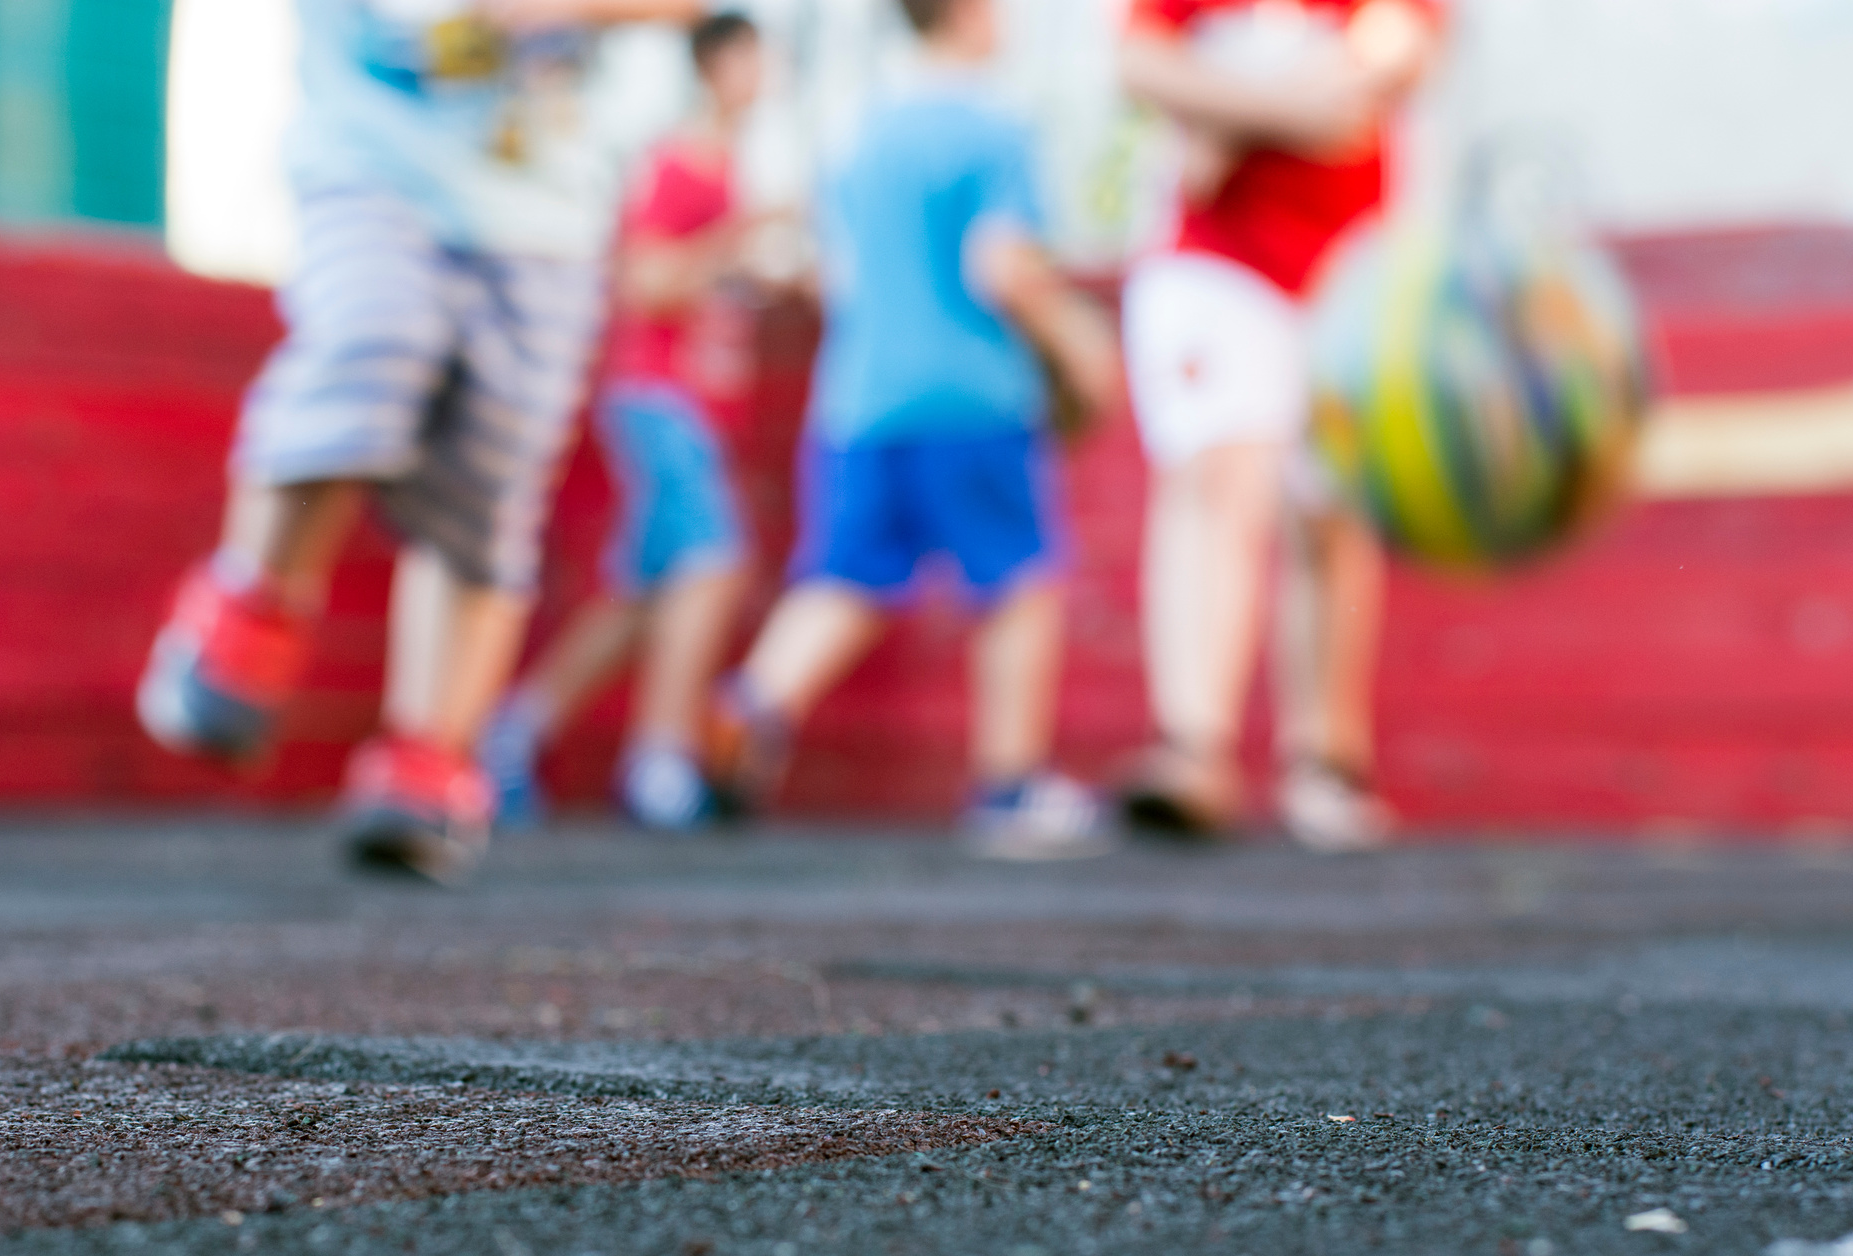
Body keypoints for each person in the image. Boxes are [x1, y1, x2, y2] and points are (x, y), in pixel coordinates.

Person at [135, 0, 703, 885]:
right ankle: (253, 602)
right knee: (371, 337)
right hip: (375, 158)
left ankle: (429, 753)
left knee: (490, 473)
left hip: (542, 213)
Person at [700, 0, 1123, 861]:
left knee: (846, 578)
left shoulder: (859, 138)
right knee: (1017, 585)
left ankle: (748, 709)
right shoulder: (995, 131)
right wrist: (1079, 344)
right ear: (967, 15)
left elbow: (832, 274)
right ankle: (1010, 788)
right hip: (973, 395)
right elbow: (1000, 264)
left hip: (858, 398)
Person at [1114, 0, 1438, 852]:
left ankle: (1326, 762)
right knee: (1215, 482)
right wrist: (1296, 109)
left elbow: (1395, 60)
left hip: (1351, 276)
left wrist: (1226, 119)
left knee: (1331, 514)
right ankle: (1193, 750)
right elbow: (1139, 64)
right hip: (1216, 263)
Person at [478, 11, 770, 831]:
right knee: (712, 563)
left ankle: (512, 733)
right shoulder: (680, 162)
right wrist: (736, 242)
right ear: (719, 66)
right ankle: (660, 762)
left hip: (698, 404)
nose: (768, 76)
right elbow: (646, 282)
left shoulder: (728, 168)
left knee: (641, 592)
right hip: (657, 395)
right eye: (755, 59)